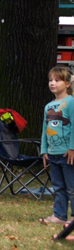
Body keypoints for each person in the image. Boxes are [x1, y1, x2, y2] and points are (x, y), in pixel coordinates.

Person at [40, 66, 74, 225]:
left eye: (57, 80)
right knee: (58, 187)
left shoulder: (71, 102)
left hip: (67, 154)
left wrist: (72, 148)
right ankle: (59, 216)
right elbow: (44, 129)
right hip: (53, 154)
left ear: (67, 83)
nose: (52, 83)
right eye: (50, 80)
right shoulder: (48, 106)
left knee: (71, 188)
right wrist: (44, 150)